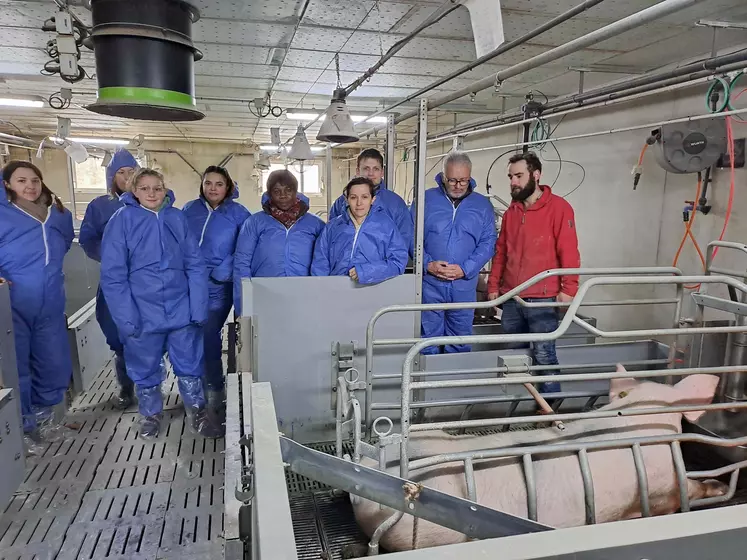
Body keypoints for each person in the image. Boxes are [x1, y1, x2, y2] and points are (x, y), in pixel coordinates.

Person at [100, 168, 222, 440]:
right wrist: (126, 317)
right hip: (142, 311)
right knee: (144, 367)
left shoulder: (176, 218)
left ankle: (198, 415)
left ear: (165, 189)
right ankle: (150, 415)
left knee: (190, 365)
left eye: (157, 187)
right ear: (134, 191)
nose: (152, 193)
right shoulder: (122, 221)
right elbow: (113, 276)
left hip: (181, 310)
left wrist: (198, 307)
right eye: (144, 188)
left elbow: (194, 264)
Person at [487, 151, 581, 393]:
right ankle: (515, 407)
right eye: (510, 177)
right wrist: (493, 288)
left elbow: (569, 252)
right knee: (513, 358)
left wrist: (569, 290)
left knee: (544, 355)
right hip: (512, 297)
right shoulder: (511, 213)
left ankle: (549, 409)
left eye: (518, 176)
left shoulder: (559, 209)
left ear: (536, 175)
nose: (513, 182)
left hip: (543, 298)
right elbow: (501, 253)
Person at [0, 161, 74, 447]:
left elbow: (65, 243)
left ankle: (46, 421)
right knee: (16, 365)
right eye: (21, 181)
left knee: (53, 362)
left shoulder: (57, 213)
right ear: (7, 184)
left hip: (51, 300)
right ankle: (22, 429)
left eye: (34, 180)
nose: (30, 186)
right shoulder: (4, 213)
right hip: (14, 300)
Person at [79, 149, 144, 409]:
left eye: (131, 172)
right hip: (114, 282)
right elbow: (87, 239)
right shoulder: (100, 206)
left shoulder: (149, 202)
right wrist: (111, 259)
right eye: (121, 173)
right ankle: (126, 388)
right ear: (112, 177)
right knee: (117, 334)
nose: (127, 177)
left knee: (149, 334)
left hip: (144, 282)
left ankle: (151, 386)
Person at [183, 166, 249, 414]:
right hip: (190, 283)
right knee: (189, 336)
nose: (212, 188)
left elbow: (244, 249)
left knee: (208, 335)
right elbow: (178, 242)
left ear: (228, 186)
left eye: (218, 184)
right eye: (208, 183)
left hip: (218, 286)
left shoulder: (239, 214)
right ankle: (194, 388)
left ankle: (215, 389)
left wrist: (222, 270)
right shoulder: (189, 210)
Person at [417, 152, 497, 354]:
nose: (458, 185)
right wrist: (428, 264)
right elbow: (411, 235)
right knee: (427, 340)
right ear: (444, 177)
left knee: (460, 339)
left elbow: (488, 242)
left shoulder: (482, 206)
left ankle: (454, 384)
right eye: (452, 180)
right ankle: (426, 384)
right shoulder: (426, 199)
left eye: (463, 180)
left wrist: (465, 269)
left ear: (470, 177)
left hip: (463, 286)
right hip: (430, 285)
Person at [233, 169, 324, 315]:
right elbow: (242, 262)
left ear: (296, 192)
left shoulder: (315, 225)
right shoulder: (254, 223)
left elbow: (323, 262)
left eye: (288, 190)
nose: (283, 195)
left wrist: (320, 294)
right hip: (264, 293)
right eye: (277, 191)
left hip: (303, 293)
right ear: (269, 194)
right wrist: (242, 304)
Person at [312, 177, 408, 283]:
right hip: (337, 290)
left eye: (364, 197)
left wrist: (366, 272)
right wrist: (322, 288)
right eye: (353, 197)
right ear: (346, 199)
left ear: (373, 199)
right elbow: (320, 264)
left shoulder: (386, 226)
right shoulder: (332, 227)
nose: (359, 203)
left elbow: (398, 262)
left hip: (374, 290)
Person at [328, 148, 413, 244]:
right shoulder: (341, 202)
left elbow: (404, 239)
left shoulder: (395, 203)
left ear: (382, 172)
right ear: (357, 171)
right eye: (366, 169)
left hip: (382, 259)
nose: (371, 174)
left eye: (376, 169)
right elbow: (331, 236)